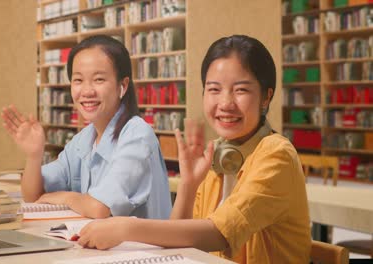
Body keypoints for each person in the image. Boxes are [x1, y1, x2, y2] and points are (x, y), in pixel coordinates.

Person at [77, 35, 311, 263]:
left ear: (266, 97)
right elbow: (178, 240)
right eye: (214, 89)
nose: (226, 103)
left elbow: (218, 234)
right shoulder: (217, 155)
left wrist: (126, 227)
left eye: (241, 90)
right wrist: (188, 185)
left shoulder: (276, 153)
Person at [1, 35, 172, 220]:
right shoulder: (84, 139)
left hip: (147, 249)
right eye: (78, 80)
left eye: (99, 80)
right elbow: (33, 197)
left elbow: (99, 208)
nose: (87, 91)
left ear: (122, 85)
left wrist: (65, 197)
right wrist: (34, 156)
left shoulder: (137, 135)